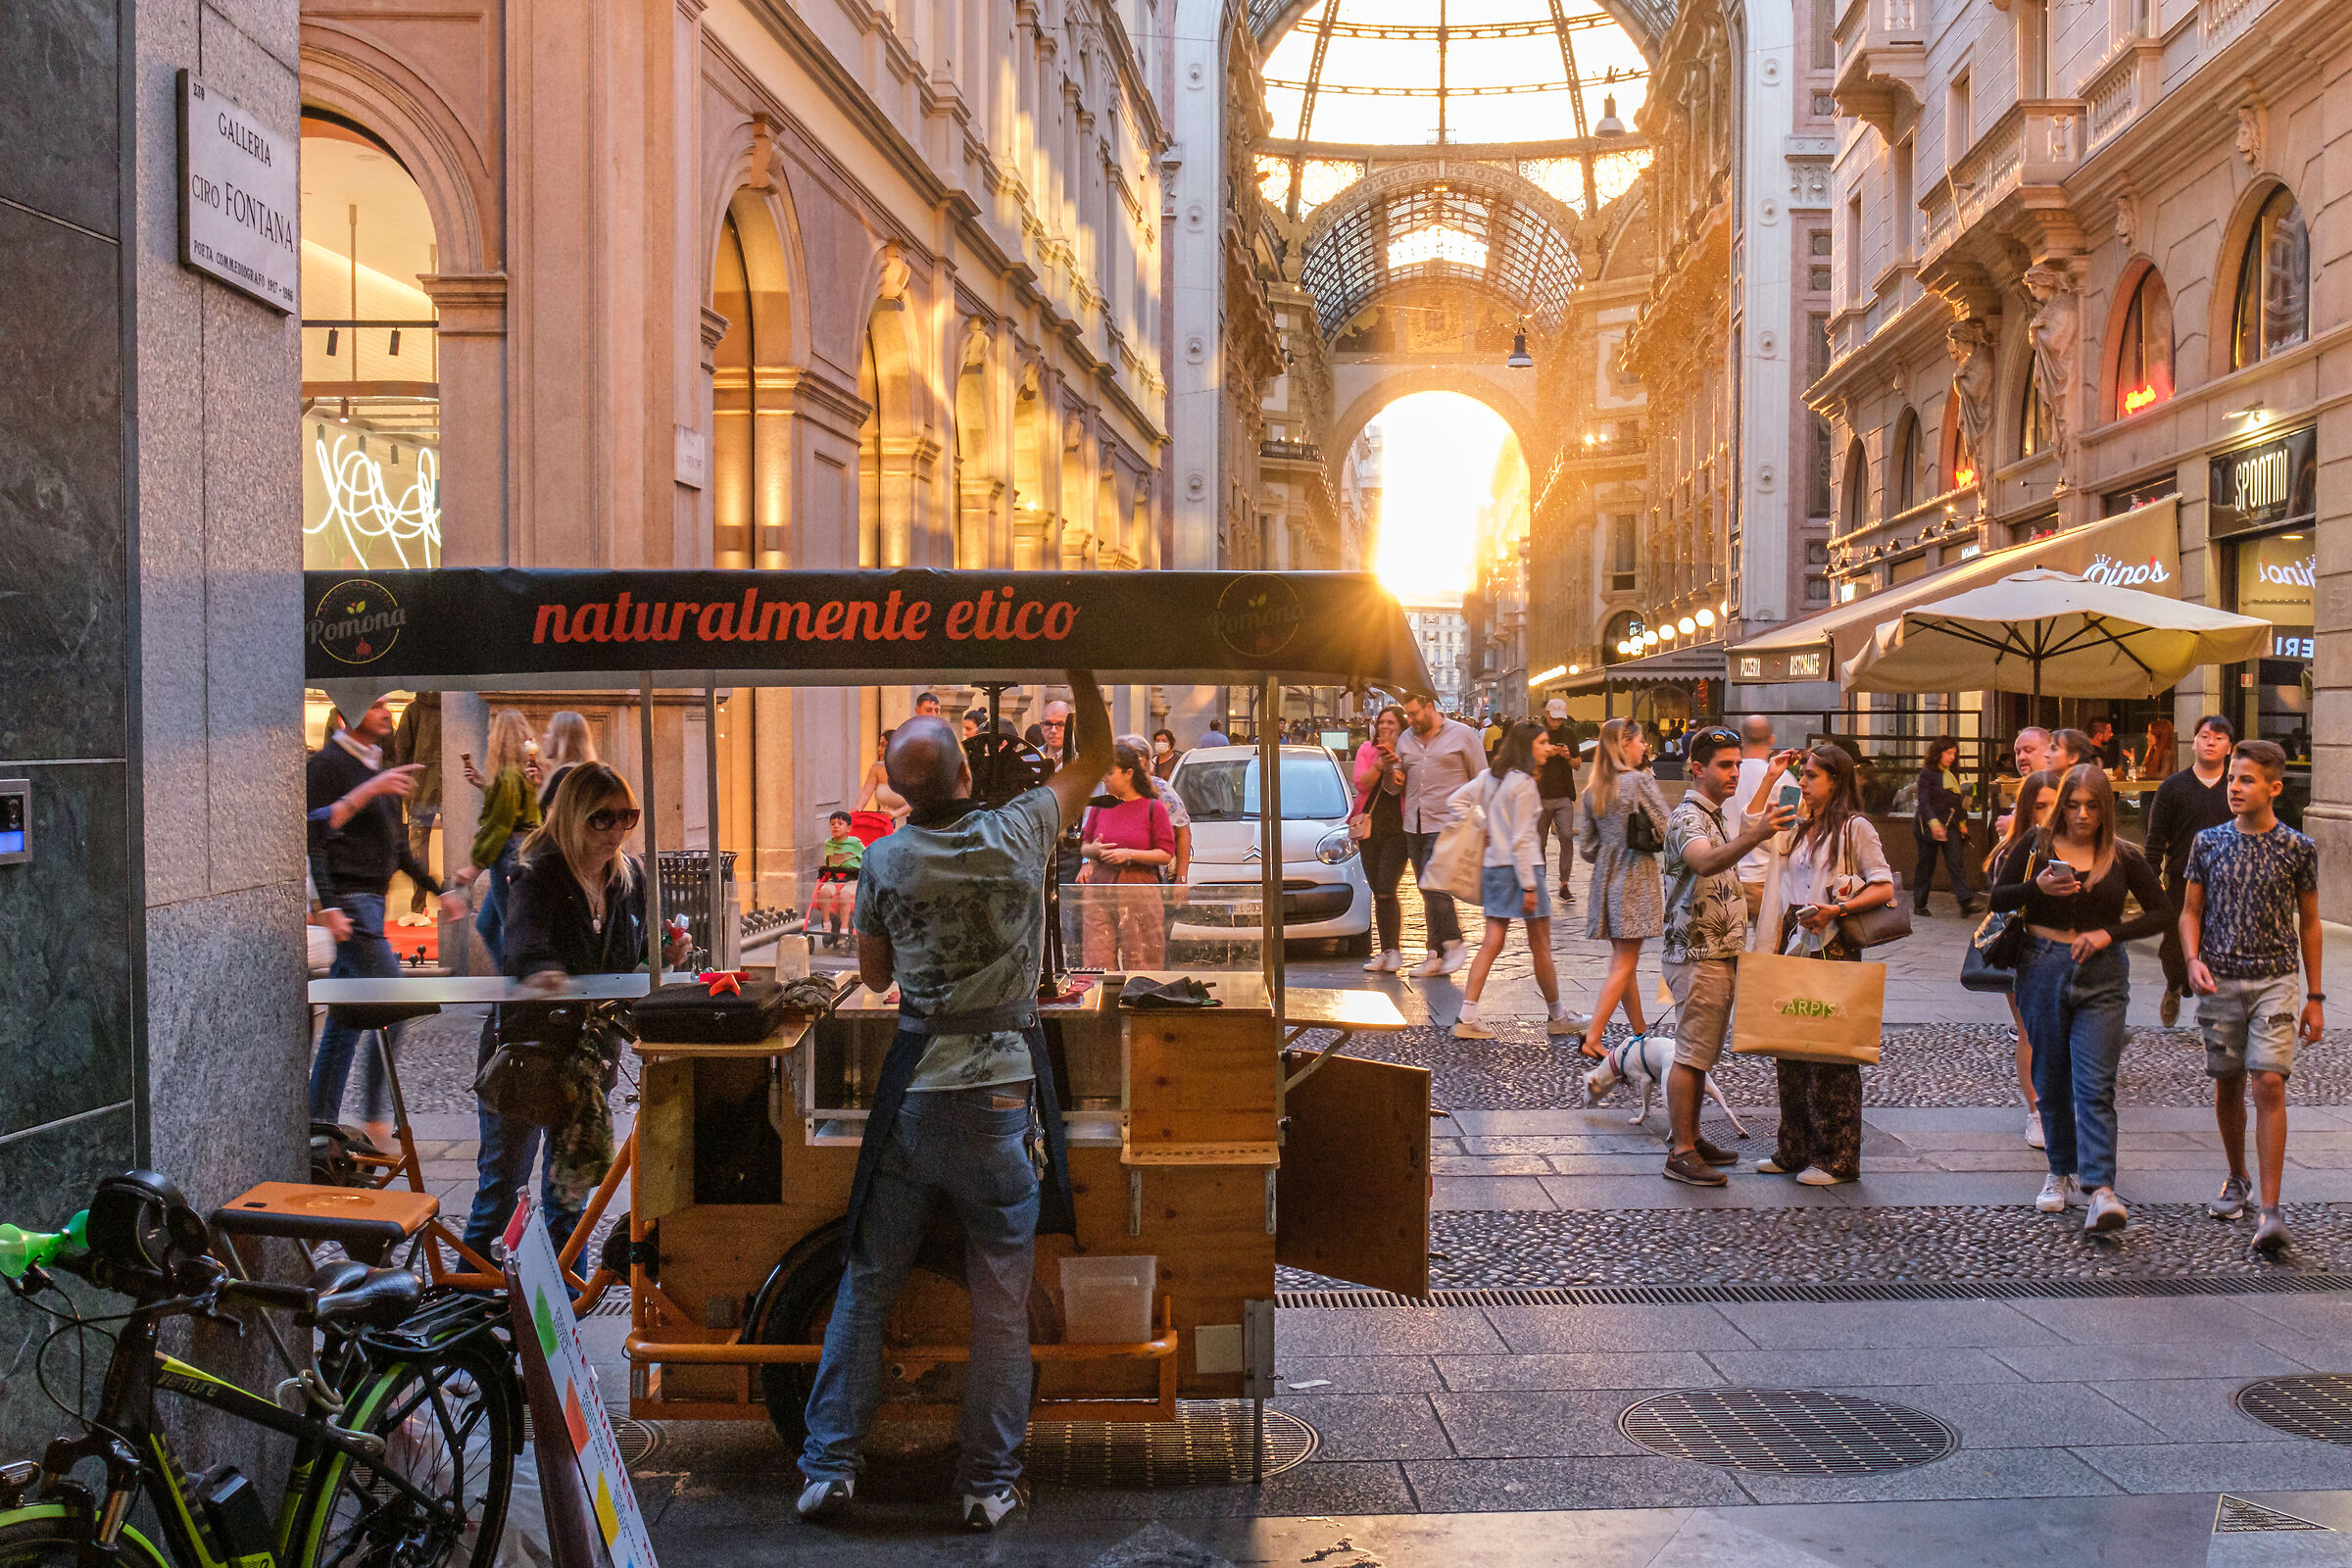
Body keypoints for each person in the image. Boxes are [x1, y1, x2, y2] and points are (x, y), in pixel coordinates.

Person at [798, 671, 1111, 1531]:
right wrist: (1082, 671)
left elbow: (871, 976)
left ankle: (828, 1467)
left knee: (868, 1282)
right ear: (968, 776)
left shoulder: (885, 857)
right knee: (1001, 1298)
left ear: (900, 788)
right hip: (1003, 1097)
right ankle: (985, 1482)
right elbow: (1102, 759)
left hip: (916, 1093)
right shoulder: (1021, 830)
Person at [463, 763, 691, 1258]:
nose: (616, 830)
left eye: (626, 817)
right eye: (601, 819)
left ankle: (564, 1315)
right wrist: (544, 972)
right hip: (527, 1054)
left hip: (588, 1060)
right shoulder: (537, 870)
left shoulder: (629, 877)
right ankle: (467, 1302)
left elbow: (636, 959)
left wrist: (668, 954)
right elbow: (523, 946)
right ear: (572, 815)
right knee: (502, 1189)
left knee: (570, 1199)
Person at [1990, 762, 2171, 1232]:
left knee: (2095, 1084)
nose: (2082, 815)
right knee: (2050, 1077)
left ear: (2105, 808)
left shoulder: (2123, 855)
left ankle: (2101, 1189)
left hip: (2103, 974)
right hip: (2042, 964)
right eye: (2073, 806)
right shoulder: (2036, 844)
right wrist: (2039, 886)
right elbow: (1998, 898)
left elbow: (2162, 913)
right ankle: (2059, 1172)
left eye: (2092, 806)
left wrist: (2109, 934)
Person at [2181, 739, 2322, 1255]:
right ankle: (2236, 1175)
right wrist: (2192, 959)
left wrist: (2316, 996)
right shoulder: (2209, 842)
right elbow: (2190, 910)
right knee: (2227, 1082)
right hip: (2219, 978)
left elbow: (2310, 923)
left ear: (2273, 788)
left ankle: (2270, 1208)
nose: (2234, 788)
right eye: (2231, 779)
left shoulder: (2297, 849)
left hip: (2276, 982)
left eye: (2245, 780)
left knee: (2268, 1082)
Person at [1744, 744, 1898, 1185]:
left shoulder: (1856, 828)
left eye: (1812, 775)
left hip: (1830, 940)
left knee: (1831, 1051)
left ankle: (1836, 1156)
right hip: (1789, 936)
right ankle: (1793, 1147)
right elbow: (1751, 827)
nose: (1804, 782)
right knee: (1788, 1045)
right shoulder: (1796, 822)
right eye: (1803, 774)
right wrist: (1773, 778)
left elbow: (1883, 886)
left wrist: (1838, 910)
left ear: (1836, 780)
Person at [1658, 726, 1794, 1185]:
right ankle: (1680, 1151)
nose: (1735, 772)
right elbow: (1703, 861)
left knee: (1701, 1054)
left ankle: (1692, 1138)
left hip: (1715, 949)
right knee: (1690, 1054)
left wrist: (1769, 779)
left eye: (1738, 764)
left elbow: (1739, 830)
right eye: (1725, 765)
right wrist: (1756, 837)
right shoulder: (1687, 819)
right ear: (1697, 768)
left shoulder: (1712, 814)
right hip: (1697, 951)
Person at [307, 699, 435, 1133]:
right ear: (349, 713)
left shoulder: (380, 769)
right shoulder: (327, 766)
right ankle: (378, 1117)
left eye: (387, 704)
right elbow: (314, 838)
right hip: (352, 903)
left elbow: (398, 848)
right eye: (376, 704)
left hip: (371, 904)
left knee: (343, 1022)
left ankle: (317, 1124)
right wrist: (328, 905)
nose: (387, 711)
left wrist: (442, 890)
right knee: (392, 1003)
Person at [1452, 722, 1587, 1040]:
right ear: (1527, 748)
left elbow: (1455, 804)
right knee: (1540, 946)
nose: (1547, 747)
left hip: (1494, 868)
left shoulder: (1489, 778)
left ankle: (1467, 1015)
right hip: (1524, 871)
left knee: (1491, 943)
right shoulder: (1524, 784)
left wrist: (1483, 826)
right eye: (1541, 742)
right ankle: (1557, 1014)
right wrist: (1528, 885)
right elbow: (1525, 838)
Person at [1576, 717, 1672, 1059]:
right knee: (1624, 962)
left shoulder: (1592, 791)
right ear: (1625, 744)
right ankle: (1594, 1036)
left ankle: (1640, 1032)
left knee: (1623, 960)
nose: (1644, 747)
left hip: (1606, 877)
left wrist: (1611, 843)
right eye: (1640, 742)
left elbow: (1586, 848)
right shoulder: (1637, 782)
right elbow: (1666, 825)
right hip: (1635, 875)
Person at [1984, 770, 2063, 1150]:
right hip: (2022, 950)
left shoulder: (2072, 843)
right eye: (2040, 807)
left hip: (2065, 952)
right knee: (2029, 1030)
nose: (2048, 815)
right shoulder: (2014, 848)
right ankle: (2036, 1113)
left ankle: (2059, 1108)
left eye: (2054, 805)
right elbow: (1999, 899)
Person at [2145, 715, 2236, 1026]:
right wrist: (2150, 883)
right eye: (2205, 735)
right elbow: (2155, 839)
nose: (2211, 741)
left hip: (2228, 884)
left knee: (2221, 948)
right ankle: (2174, 984)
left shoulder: (2236, 787)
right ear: (2194, 741)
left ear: (2229, 748)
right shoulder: (2173, 787)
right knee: (2173, 948)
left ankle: (2214, 1010)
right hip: (2182, 880)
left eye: (2219, 737)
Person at [1396, 693, 1488, 976]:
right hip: (1414, 822)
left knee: (1435, 885)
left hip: (1449, 823)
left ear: (1430, 707)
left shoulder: (1463, 736)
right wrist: (1393, 775)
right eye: (1407, 715)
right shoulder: (1406, 739)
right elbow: (1396, 782)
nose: (1409, 720)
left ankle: (1455, 941)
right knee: (1427, 889)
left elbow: (1482, 778)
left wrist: (1483, 823)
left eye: (1413, 714)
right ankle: (1434, 954)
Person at [444, 708, 543, 967]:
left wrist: (474, 866)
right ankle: (508, 990)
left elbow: (500, 824)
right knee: (487, 924)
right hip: (520, 850)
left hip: (507, 854)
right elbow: (513, 810)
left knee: (509, 929)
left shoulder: (509, 775)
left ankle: (512, 995)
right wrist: (484, 784)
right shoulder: (524, 771)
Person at [1078, 743, 1175, 969]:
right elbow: (1084, 845)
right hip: (1101, 888)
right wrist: (1094, 851)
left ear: (1128, 773)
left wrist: (1129, 854)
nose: (1105, 779)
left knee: (1142, 958)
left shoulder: (1153, 808)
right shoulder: (1101, 806)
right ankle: (1102, 1001)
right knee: (1096, 959)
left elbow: (1165, 854)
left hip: (1139, 889)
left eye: (1110, 773)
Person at [1352, 707, 1411, 973]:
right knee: (1378, 890)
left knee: (1388, 886)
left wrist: (1393, 765)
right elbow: (1361, 784)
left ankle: (1394, 950)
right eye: (1382, 722)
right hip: (1370, 828)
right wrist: (1379, 763)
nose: (1385, 726)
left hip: (1398, 828)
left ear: (1401, 726)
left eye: (1391, 722)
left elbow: (1402, 785)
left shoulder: (1409, 751)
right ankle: (1386, 950)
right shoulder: (1367, 750)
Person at [389, 693, 441, 926]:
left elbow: (401, 753)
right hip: (455, 790)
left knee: (418, 850)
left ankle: (418, 908)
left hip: (420, 791)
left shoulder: (413, 711)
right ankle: (456, 902)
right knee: (458, 849)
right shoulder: (457, 706)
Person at [1912, 737, 1980, 916]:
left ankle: (1965, 902)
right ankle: (1919, 904)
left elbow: (1956, 803)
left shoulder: (1951, 773)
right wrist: (1934, 824)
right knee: (1926, 864)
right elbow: (1924, 803)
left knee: (1956, 862)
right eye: (1948, 753)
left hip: (1950, 824)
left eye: (1954, 754)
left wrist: (1963, 824)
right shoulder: (1928, 773)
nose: (1951, 757)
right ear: (1938, 752)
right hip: (1927, 825)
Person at [1535, 699, 1581, 906]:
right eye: (1554, 718)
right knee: (1539, 842)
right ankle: (1540, 885)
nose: (1557, 723)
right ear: (1547, 714)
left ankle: (1564, 883)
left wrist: (1567, 755)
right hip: (1540, 795)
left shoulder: (1569, 734)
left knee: (1566, 836)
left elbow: (1577, 764)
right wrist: (1546, 753)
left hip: (1563, 794)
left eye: (1560, 719)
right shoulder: (1537, 732)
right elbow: (1529, 760)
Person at [1734, 715, 1778, 925]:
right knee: (1769, 949)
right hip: (1765, 877)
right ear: (1772, 739)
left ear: (1742, 740)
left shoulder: (1729, 775)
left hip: (1729, 871)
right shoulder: (1783, 778)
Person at [812, 811, 864, 949]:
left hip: (852, 879)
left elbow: (866, 857)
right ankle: (827, 924)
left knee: (845, 895)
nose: (836, 826)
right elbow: (828, 862)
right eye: (833, 824)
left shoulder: (855, 843)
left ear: (848, 828)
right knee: (823, 892)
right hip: (834, 879)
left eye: (840, 824)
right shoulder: (828, 844)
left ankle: (844, 929)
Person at [536, 710, 598, 812]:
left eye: (549, 732)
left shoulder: (564, 776)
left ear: (562, 738)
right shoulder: (586, 772)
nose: (544, 737)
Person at [858, 730, 908, 821]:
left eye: (883, 745)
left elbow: (917, 801)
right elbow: (866, 792)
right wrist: (857, 809)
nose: (879, 749)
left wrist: (896, 813)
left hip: (911, 821)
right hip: (886, 820)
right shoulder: (876, 768)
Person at [2141, 715, 2177, 782]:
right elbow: (2144, 770)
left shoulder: (2166, 753)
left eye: (2151, 733)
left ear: (2160, 735)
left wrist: (2143, 776)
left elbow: (2164, 775)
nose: (2147, 736)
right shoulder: (2152, 752)